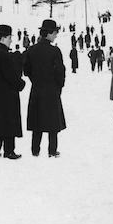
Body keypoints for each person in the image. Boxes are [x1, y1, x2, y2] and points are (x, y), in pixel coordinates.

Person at [23, 19, 66, 157]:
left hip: (36, 90)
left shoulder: (31, 50)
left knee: (37, 121)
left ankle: (35, 150)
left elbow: (26, 70)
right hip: (51, 90)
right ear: (48, 33)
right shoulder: (54, 51)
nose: (56, 35)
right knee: (53, 123)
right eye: (54, 33)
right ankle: (52, 151)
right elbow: (60, 72)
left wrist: (35, 81)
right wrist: (58, 87)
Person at [0, 24, 26, 159]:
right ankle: (9, 150)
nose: (11, 40)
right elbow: (11, 76)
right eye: (9, 37)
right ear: (3, 38)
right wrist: (21, 83)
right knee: (8, 123)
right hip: (7, 96)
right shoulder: (4, 55)